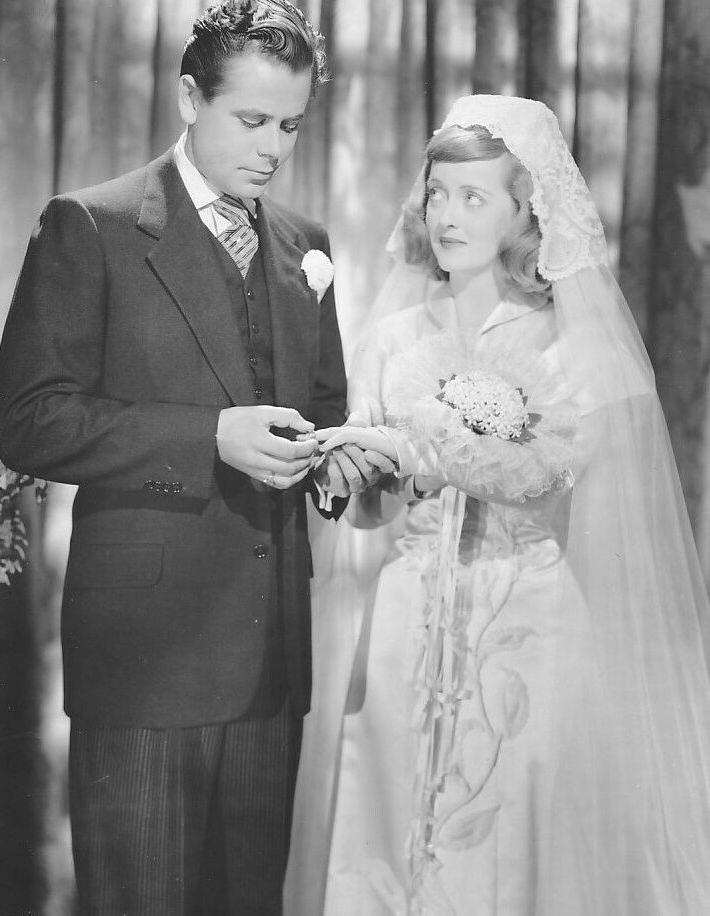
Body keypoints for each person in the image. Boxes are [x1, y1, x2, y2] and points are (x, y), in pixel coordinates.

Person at [284, 95, 710, 915]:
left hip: (529, 623)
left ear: (525, 213)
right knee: (388, 816)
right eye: (437, 194)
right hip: (405, 621)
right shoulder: (395, 335)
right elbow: (372, 512)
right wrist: (352, 475)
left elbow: (577, 492)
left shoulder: (569, 342)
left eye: (474, 198)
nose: (446, 216)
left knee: (512, 834)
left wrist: (444, 456)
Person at [0, 2, 362, 913]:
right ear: (189, 97)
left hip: (272, 657)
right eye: (252, 119)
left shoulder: (306, 247)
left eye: (290, 126)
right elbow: (28, 421)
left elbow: (322, 409)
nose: (272, 148)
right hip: (147, 660)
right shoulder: (90, 225)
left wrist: (335, 463)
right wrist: (207, 437)